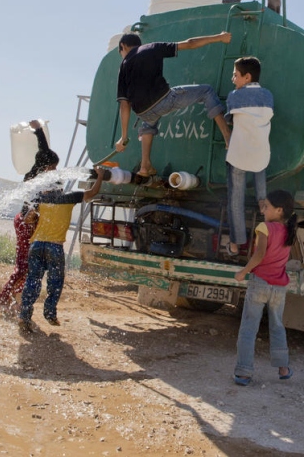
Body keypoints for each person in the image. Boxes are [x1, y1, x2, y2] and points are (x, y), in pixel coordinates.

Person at [114, 32, 233, 179]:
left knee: (148, 125)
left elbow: (124, 104)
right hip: (164, 101)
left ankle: (145, 166)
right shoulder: (152, 48)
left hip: (143, 112)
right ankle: (228, 137)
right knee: (206, 91)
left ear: (123, 46)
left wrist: (123, 137)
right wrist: (219, 37)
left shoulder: (123, 66)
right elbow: (190, 43)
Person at [18, 155, 108, 334]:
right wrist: (99, 176)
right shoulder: (69, 197)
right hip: (54, 247)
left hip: (36, 246)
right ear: (60, 187)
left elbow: (27, 221)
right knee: (55, 282)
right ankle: (50, 313)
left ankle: (24, 316)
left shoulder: (40, 201)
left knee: (32, 281)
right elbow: (92, 193)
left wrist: (35, 209)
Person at [232, 189, 297, 386]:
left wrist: (243, 272)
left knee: (248, 329)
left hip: (260, 283)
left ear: (279, 210)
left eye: (266, 207)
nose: (263, 211)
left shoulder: (264, 228)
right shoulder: (288, 231)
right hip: (279, 288)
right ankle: (283, 368)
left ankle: (244, 372)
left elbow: (259, 255)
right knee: (277, 327)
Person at [0, 120, 54, 314]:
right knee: (23, 266)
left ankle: (14, 301)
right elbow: (43, 151)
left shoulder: (39, 178)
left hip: (27, 223)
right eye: (53, 166)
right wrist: (38, 131)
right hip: (26, 222)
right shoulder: (34, 178)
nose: (54, 171)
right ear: (45, 165)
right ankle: (2, 299)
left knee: (29, 267)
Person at [225, 57, 274, 257]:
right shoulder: (268, 96)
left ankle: (236, 245)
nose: (233, 78)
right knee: (263, 199)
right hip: (261, 156)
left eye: (235, 75)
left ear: (247, 77)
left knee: (236, 200)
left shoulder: (234, 96)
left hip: (238, 155)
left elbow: (228, 120)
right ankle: (268, 239)